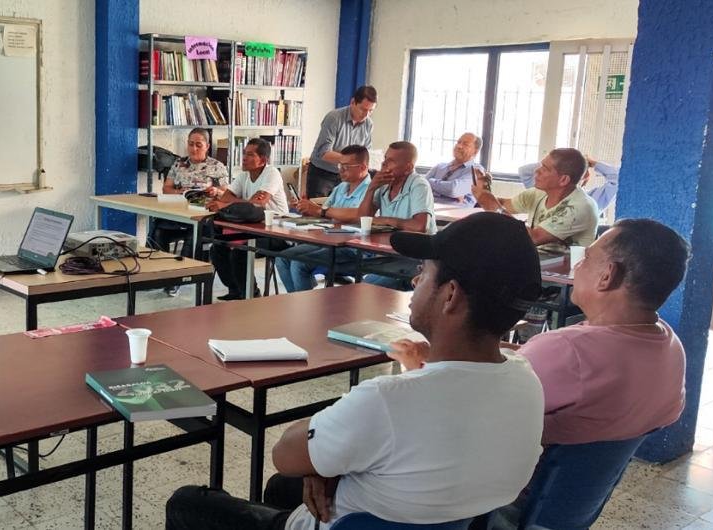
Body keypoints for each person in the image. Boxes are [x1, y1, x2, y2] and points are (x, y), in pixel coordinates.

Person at [165, 212, 545, 529]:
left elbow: (285, 453)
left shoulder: (387, 401)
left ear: (450, 295)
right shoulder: (527, 383)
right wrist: (324, 462)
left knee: (188, 503)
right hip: (444, 517)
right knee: (283, 486)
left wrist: (327, 448)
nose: (415, 281)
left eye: (424, 272)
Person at [515, 219, 688, 445]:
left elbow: (486, 399)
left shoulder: (566, 350)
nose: (577, 266)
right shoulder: (671, 346)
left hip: (524, 466)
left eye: (586, 258)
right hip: (592, 468)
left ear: (607, 276)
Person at [274, 145, 371, 292]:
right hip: (328, 240)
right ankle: (298, 300)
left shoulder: (371, 190)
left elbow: (357, 216)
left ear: (362, 167)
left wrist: (320, 211)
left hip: (352, 247)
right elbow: (324, 213)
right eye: (340, 165)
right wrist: (307, 208)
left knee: (299, 263)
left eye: (346, 166)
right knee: (282, 259)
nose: (341, 170)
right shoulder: (341, 187)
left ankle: (305, 304)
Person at [148, 128, 228, 296]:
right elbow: (166, 188)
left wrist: (216, 191)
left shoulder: (217, 166)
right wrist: (179, 192)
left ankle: (178, 279)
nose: (194, 148)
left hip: (203, 216)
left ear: (207, 146)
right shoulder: (179, 163)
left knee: (194, 234)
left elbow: (226, 194)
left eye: (198, 145)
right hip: (179, 213)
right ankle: (160, 275)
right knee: (158, 230)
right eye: (191, 144)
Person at [472, 147, 598, 253]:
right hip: (536, 264)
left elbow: (532, 238)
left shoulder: (581, 207)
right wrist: (484, 190)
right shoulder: (538, 193)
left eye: (545, 168)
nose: (537, 171)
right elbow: (503, 205)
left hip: (563, 273)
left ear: (563, 180)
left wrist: (493, 205)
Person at [208, 138, 288, 300]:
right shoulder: (243, 175)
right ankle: (236, 290)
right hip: (251, 228)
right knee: (217, 248)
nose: (244, 158)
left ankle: (251, 295)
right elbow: (225, 198)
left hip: (277, 232)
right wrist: (246, 202)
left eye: (250, 155)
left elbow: (258, 204)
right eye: (244, 153)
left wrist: (240, 203)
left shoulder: (272, 174)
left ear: (263, 160)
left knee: (240, 252)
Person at [357, 141, 435, 290]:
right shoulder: (385, 184)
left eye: (391, 161)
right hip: (390, 253)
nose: (384, 164)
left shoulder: (419, 185)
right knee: (362, 285)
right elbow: (363, 219)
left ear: (408, 168)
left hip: (416, 258)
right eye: (385, 158)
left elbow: (420, 226)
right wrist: (371, 188)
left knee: (366, 289)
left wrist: (385, 220)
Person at [305, 86, 376, 198]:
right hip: (323, 173)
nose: (366, 115)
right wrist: (351, 160)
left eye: (370, 111)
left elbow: (365, 153)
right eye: (363, 109)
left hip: (347, 176)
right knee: (318, 207)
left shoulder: (369, 124)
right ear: (353, 102)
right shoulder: (334, 118)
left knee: (341, 207)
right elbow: (323, 152)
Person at [518, 156, 620, 211]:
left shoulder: (591, 200)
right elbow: (524, 171)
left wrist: (592, 163)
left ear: (585, 178)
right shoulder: (544, 192)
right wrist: (559, 159)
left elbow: (618, 179)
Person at [424, 132, 483, 206]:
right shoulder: (440, 166)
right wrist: (446, 191)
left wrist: (430, 182)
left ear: (475, 151)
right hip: (427, 208)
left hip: (454, 212)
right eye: (458, 142)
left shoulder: (476, 170)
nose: (459, 146)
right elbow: (420, 186)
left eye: (465, 144)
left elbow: (453, 190)